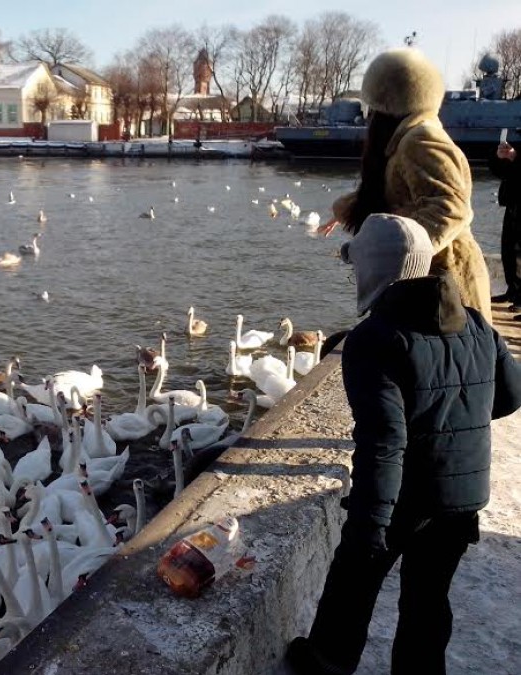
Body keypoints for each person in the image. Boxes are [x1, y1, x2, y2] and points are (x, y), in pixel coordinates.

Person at [286, 213, 521, 675]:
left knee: (353, 581)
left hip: (404, 498)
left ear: (375, 267)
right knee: (428, 599)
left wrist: (368, 527)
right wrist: (457, 414)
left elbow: (383, 446)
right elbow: (510, 396)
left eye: (358, 266)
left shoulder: (373, 340)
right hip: (461, 500)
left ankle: (326, 663)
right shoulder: (475, 322)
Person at [320, 48, 492, 324]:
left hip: (444, 285)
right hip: (430, 284)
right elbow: (399, 192)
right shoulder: (406, 139)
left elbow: (451, 209)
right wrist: (348, 209)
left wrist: (401, 258)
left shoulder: (420, 140)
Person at [488, 139, 521, 319]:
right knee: (508, 249)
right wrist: (499, 158)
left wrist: (515, 156)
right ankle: (513, 290)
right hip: (514, 201)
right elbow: (501, 172)